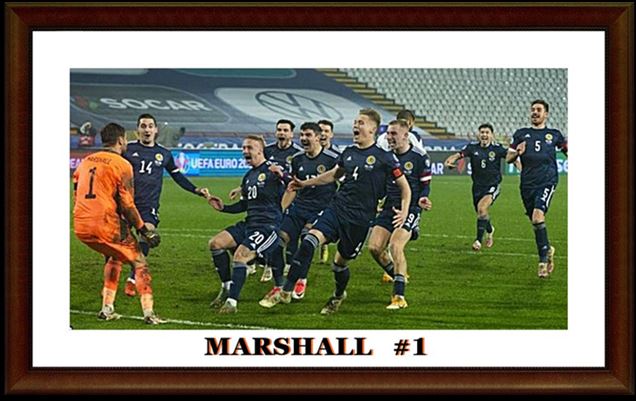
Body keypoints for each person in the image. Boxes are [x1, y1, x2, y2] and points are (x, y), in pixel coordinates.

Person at [259, 108, 411, 315]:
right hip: (337, 208)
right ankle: (286, 290)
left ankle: (338, 295)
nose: (355, 125)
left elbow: (405, 188)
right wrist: (305, 183)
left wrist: (404, 211)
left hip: (359, 219)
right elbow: (333, 175)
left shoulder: (385, 158)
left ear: (373, 129)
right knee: (309, 240)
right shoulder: (348, 153)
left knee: (339, 264)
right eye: (355, 122)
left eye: (361, 123)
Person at [72, 123, 165, 324]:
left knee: (115, 257)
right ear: (121, 140)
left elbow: (76, 192)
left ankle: (107, 309)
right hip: (105, 224)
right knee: (139, 262)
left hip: (81, 225)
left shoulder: (86, 161)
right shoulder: (122, 164)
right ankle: (149, 314)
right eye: (125, 140)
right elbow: (128, 206)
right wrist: (144, 230)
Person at [121, 114, 209, 296]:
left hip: (148, 205)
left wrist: (196, 189)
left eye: (150, 126)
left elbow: (177, 176)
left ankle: (132, 278)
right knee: (118, 241)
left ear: (156, 130)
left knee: (147, 234)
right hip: (126, 203)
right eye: (143, 126)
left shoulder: (164, 154)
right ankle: (112, 279)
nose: (147, 129)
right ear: (138, 129)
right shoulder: (128, 149)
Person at [206, 135, 287, 313]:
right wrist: (223, 208)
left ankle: (232, 303)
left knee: (240, 256)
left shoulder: (274, 169)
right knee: (215, 243)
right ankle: (227, 287)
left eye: (249, 148)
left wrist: (283, 176)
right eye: (243, 148)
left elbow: (294, 185)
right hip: (250, 223)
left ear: (260, 150)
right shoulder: (249, 176)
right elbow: (245, 205)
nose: (245, 151)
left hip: (268, 227)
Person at [262, 122, 339, 303]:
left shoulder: (333, 159)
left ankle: (301, 279)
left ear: (318, 137)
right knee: (277, 241)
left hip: (321, 210)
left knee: (306, 240)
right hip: (299, 208)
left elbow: (343, 185)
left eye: (308, 135)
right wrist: (280, 211)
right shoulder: (297, 159)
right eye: (302, 135)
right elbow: (293, 188)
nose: (304, 138)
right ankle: (279, 284)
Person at [367, 119, 432, 309]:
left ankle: (399, 297)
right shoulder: (385, 157)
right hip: (389, 207)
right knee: (374, 248)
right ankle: (398, 275)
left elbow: (425, 186)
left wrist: (423, 199)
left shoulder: (419, 157)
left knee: (395, 246)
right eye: (388, 133)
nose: (389, 137)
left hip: (410, 208)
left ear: (406, 135)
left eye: (393, 134)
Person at [506, 100, 568, 278]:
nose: (535, 112)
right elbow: (509, 158)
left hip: (547, 181)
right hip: (527, 183)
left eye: (539, 110)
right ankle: (547, 249)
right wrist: (517, 152)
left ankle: (542, 262)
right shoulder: (521, 134)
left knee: (537, 217)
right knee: (535, 222)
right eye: (533, 109)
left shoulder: (554, 135)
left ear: (546, 114)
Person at [444, 123, 515, 251]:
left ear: (492, 135)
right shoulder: (472, 148)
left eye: (487, 132)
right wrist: (450, 160)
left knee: (482, 208)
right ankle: (490, 230)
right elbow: (458, 155)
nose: (484, 135)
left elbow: (511, 157)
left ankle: (478, 240)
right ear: (478, 134)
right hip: (477, 187)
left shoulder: (497, 149)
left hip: (493, 185)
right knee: (482, 213)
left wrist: (520, 164)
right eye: (482, 132)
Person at [251, 119, 303, 282]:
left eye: (285, 130)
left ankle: (289, 263)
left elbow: (297, 178)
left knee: (290, 233)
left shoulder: (298, 154)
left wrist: (282, 175)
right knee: (269, 231)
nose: (282, 133)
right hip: (269, 199)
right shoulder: (268, 151)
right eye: (279, 130)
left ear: (291, 134)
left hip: (289, 197)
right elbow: (257, 170)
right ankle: (268, 264)